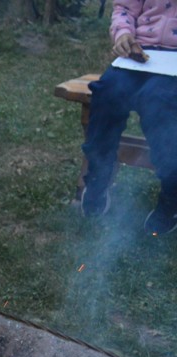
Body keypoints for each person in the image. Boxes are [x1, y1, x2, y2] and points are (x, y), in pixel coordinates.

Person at [79, 0, 177, 235]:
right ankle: (98, 180)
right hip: (140, 54)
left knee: (159, 103)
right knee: (107, 94)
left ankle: (171, 198)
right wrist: (123, 34)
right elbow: (124, 8)